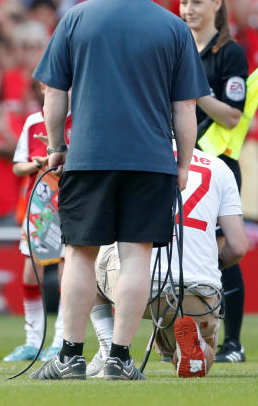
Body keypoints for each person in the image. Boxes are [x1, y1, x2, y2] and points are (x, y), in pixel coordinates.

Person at [31, 0, 210, 381]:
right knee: (136, 255)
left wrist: (55, 148)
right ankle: (119, 358)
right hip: (150, 159)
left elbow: (55, 94)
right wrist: (184, 164)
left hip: (89, 156)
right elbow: (184, 109)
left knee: (80, 254)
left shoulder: (76, 17)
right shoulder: (173, 27)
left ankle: (70, 356)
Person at [90, 146, 248, 378]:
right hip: (198, 291)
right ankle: (199, 350)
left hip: (137, 287)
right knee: (202, 341)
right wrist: (213, 267)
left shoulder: (128, 153)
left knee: (84, 260)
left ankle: (108, 351)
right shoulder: (219, 167)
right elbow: (238, 246)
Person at [179, 0, 251, 364]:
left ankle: (232, 343)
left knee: (226, 248)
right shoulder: (173, 45)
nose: (188, 10)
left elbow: (231, 115)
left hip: (218, 165)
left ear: (217, 4)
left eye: (196, 2)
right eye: (184, 3)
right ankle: (180, 334)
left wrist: (194, 89)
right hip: (178, 162)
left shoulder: (230, 53)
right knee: (175, 245)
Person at [5, 83, 71, 363]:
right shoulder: (33, 121)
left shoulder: (82, 118)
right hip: (41, 204)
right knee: (32, 272)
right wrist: (36, 164)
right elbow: (18, 165)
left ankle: (60, 340)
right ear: (42, 88)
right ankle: (32, 341)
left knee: (70, 271)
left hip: (73, 200)